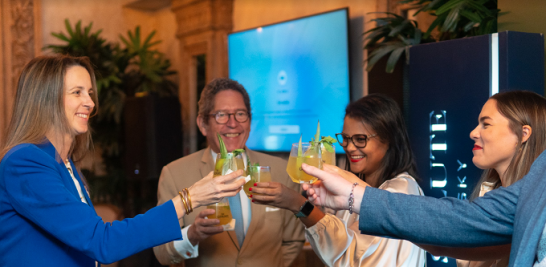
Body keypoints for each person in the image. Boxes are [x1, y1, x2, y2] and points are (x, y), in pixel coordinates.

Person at [0, 55, 246, 266]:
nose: (90, 103)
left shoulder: (65, 163)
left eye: (89, 93)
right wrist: (190, 198)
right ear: (46, 99)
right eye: (77, 92)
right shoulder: (26, 162)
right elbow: (102, 242)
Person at [301, 91, 546, 266]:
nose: (473, 133)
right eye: (346, 139)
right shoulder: (496, 193)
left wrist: (349, 195)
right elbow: (449, 233)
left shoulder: (401, 186)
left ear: (523, 134)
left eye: (486, 124)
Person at [251, 94, 426, 266]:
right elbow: (334, 249)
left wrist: (299, 205)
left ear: (389, 139)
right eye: (346, 138)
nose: (350, 147)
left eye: (360, 139)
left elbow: (349, 255)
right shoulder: (353, 187)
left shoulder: (402, 190)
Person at [153, 78, 305, 266]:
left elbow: (293, 240)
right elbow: (162, 253)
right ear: (202, 124)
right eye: (221, 115)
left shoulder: (281, 171)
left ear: (249, 121)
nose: (233, 123)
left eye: (240, 114)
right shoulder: (175, 174)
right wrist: (192, 234)